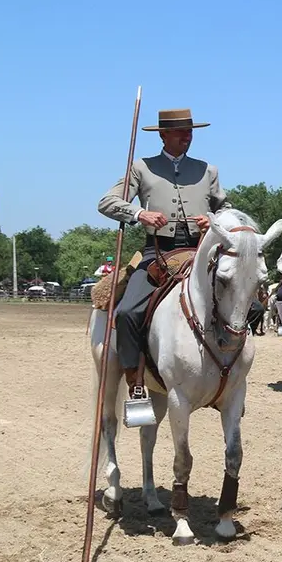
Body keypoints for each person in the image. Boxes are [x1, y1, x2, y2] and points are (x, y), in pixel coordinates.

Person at [98, 108, 228, 402]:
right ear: (163, 135)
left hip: (200, 252)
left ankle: (228, 382)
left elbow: (226, 209)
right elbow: (106, 202)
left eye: (190, 131)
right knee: (129, 312)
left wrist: (213, 220)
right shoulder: (141, 168)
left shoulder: (209, 170)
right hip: (157, 253)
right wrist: (139, 213)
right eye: (181, 132)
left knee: (250, 306)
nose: (187, 136)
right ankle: (135, 379)